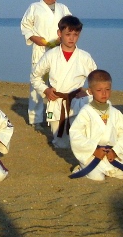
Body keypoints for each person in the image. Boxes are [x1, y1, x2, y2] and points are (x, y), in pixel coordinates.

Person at [30, 15, 97, 148]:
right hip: (57, 101)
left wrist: (88, 92)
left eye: (75, 34)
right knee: (61, 144)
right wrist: (45, 90)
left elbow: (96, 79)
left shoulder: (85, 57)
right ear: (59, 34)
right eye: (68, 34)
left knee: (80, 141)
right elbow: (35, 76)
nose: (72, 38)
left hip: (78, 102)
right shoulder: (51, 55)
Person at [20, 0, 72, 126]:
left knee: (56, 84)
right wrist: (34, 38)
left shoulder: (63, 8)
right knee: (37, 84)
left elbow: (70, 25)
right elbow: (25, 26)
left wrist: (63, 39)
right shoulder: (34, 8)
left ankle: (53, 117)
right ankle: (35, 119)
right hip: (41, 49)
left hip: (58, 49)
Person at [69, 70, 123, 181]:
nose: (104, 93)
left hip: (111, 155)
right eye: (99, 90)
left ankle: (109, 165)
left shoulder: (115, 113)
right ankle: (80, 168)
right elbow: (76, 134)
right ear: (90, 91)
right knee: (97, 177)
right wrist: (94, 150)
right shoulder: (86, 112)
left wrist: (115, 151)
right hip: (92, 155)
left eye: (107, 89)